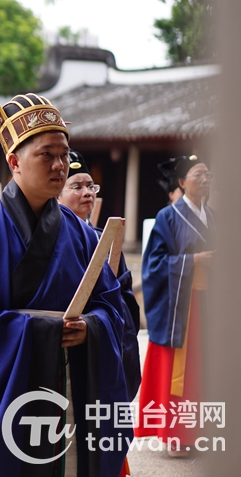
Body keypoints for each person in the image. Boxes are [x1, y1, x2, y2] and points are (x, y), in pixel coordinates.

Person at [0, 92, 132, 477]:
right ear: (14, 162)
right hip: (10, 392)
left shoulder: (82, 234)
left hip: (72, 383)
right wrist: (40, 332)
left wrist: (91, 328)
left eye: (64, 154)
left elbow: (113, 306)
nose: (60, 165)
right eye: (46, 154)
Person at [135, 155, 214, 454]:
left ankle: (203, 430)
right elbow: (153, 265)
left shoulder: (214, 216)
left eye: (208, 174)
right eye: (198, 174)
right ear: (181, 182)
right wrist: (192, 261)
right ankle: (177, 435)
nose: (206, 179)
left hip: (210, 302)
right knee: (181, 371)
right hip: (183, 304)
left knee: (206, 366)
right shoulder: (168, 217)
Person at [57, 151, 141, 400]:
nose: (87, 192)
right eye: (76, 186)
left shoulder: (104, 237)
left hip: (102, 338)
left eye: (90, 186)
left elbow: (124, 291)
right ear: (57, 194)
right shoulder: (51, 239)